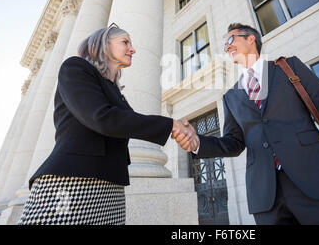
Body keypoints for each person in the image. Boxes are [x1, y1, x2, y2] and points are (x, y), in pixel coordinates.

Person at [173, 23, 319, 225]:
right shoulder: (230, 97)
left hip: (318, 182)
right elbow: (233, 143)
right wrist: (197, 142)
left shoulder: (290, 67)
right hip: (265, 199)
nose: (227, 47)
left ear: (251, 39)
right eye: (225, 45)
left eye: (230, 40)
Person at [18, 23, 194, 225]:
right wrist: (171, 125)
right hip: (70, 181)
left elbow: (131, 122)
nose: (133, 49)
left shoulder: (117, 94)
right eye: (125, 42)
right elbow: (103, 118)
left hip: (112, 189)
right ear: (103, 44)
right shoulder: (75, 68)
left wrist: (182, 131)